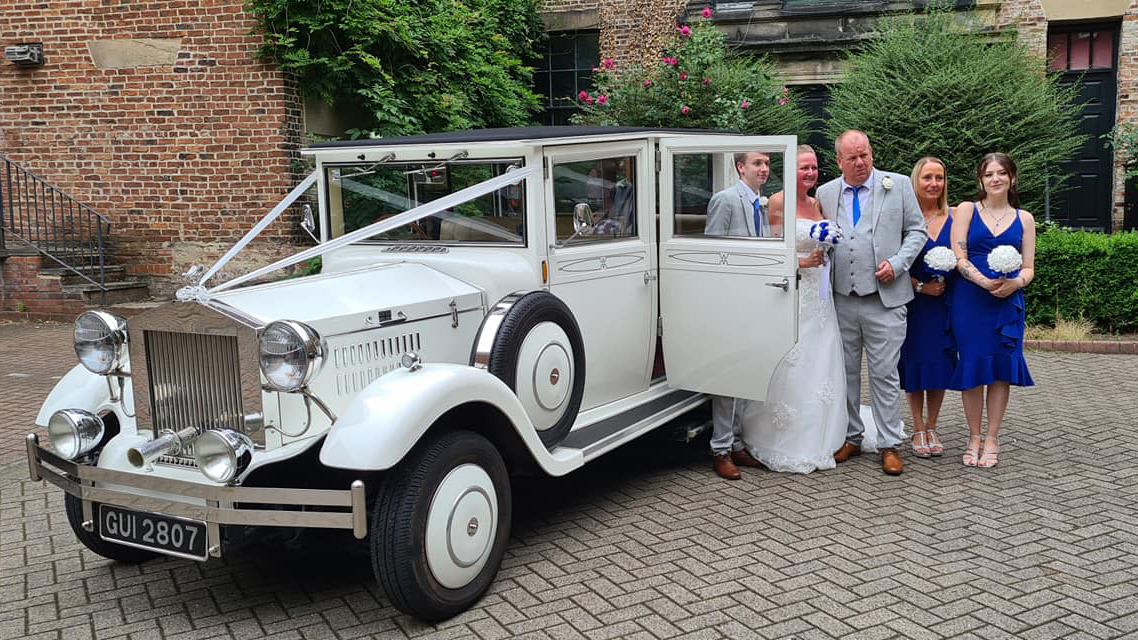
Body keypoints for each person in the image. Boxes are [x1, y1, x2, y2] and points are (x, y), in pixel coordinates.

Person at [817, 130, 927, 476]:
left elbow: (918, 231)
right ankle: (851, 435)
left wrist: (897, 264)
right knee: (845, 372)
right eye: (852, 158)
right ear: (839, 161)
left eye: (864, 154)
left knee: (884, 373)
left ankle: (890, 444)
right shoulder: (826, 192)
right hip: (841, 300)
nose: (861, 162)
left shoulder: (897, 185)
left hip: (886, 301)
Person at [743, 145, 847, 472]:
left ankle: (823, 432)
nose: (810, 174)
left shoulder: (819, 204)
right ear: (791, 170)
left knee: (822, 358)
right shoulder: (778, 202)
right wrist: (803, 262)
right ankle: (781, 434)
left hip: (820, 296)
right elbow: (772, 253)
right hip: (795, 293)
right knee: (792, 360)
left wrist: (825, 249)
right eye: (804, 168)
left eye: (814, 168)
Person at [949, 153, 1035, 468]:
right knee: (972, 366)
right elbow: (960, 256)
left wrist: (1016, 284)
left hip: (1007, 304)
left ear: (1012, 178)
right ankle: (973, 436)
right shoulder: (967, 211)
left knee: (999, 370)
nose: (995, 179)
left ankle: (992, 438)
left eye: (1001, 173)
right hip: (971, 299)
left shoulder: (1025, 219)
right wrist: (983, 281)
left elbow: (1029, 267)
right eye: (988, 174)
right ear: (981, 180)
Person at [703, 151, 772, 479]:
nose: (764, 169)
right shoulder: (725, 200)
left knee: (749, 373)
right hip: (730, 303)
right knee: (728, 378)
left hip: (758, 302)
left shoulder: (762, 202)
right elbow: (713, 253)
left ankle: (738, 444)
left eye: (768, 163)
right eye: (758, 163)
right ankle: (720, 450)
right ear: (740, 167)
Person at [899, 157, 958, 458]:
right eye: (927, 178)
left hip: (946, 304)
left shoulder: (957, 216)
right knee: (916, 364)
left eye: (939, 178)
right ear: (916, 182)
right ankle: (918, 427)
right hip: (914, 305)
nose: (934, 184)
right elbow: (892, 263)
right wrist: (922, 287)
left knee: (940, 363)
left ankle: (933, 425)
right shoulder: (904, 219)